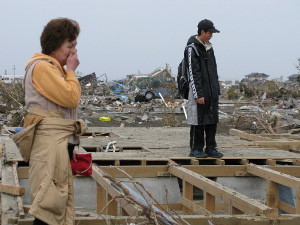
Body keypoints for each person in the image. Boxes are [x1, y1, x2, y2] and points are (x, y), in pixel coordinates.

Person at [18, 18, 85, 225]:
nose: (73, 52)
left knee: (56, 202)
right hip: (50, 145)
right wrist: (72, 71)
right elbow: (71, 97)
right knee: (50, 205)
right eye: (69, 46)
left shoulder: (53, 68)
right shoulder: (43, 68)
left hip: (55, 143)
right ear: (56, 45)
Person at [185, 19, 223, 158]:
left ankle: (211, 147)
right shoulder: (192, 48)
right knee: (198, 121)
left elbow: (214, 71)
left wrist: (216, 90)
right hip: (199, 91)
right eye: (210, 33)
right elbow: (193, 73)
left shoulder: (209, 47)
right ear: (202, 31)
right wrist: (198, 94)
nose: (211, 36)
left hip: (211, 91)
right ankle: (196, 148)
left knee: (212, 120)